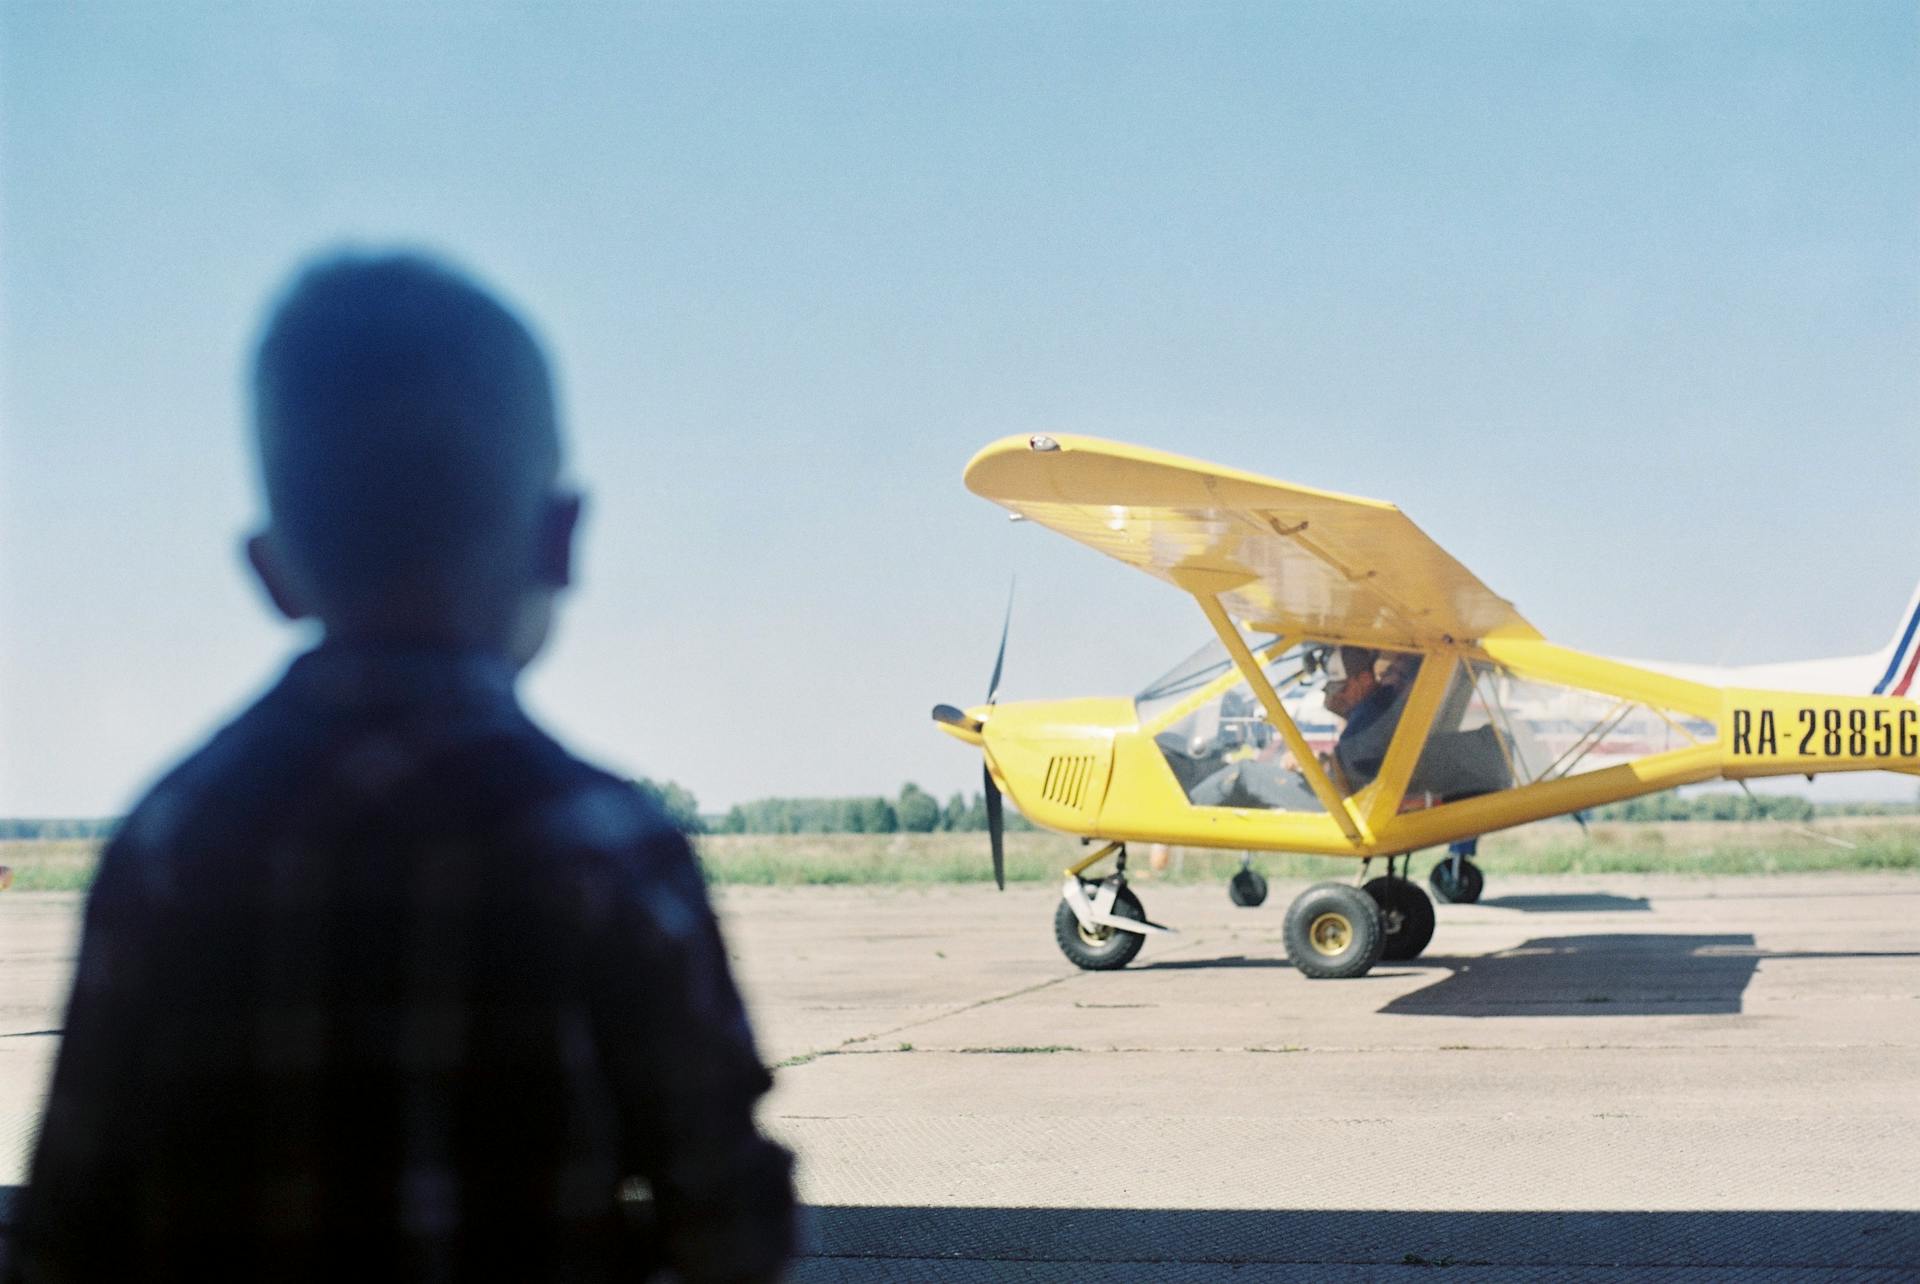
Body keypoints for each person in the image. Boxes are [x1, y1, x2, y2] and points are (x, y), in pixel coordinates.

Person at [6, 253, 795, 1283]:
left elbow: (68, 1225)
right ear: (560, 540)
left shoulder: (172, 844)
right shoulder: (612, 851)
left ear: (269, 571)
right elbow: (731, 1223)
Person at [1190, 646, 1415, 809]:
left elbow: (1355, 769)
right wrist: (1319, 760)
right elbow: (1360, 760)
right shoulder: (1377, 708)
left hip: (1350, 804)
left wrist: (1317, 762)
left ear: (1365, 680)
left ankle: (1188, 810)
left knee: (1245, 773)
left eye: (1341, 687)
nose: (1334, 696)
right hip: (1357, 796)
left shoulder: (1374, 710)